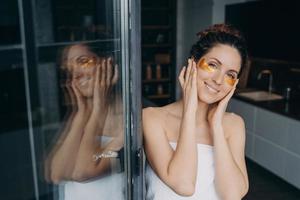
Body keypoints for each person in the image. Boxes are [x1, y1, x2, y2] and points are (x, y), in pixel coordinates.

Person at [143, 24, 249, 200]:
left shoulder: (233, 125)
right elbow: (183, 185)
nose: (218, 80)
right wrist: (190, 112)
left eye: (230, 75)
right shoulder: (152, 117)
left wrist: (216, 126)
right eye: (213, 65)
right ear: (193, 63)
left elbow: (232, 195)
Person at [44, 44, 125, 200]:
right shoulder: (79, 119)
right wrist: (82, 114)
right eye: (68, 71)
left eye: (83, 62)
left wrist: (98, 107)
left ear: (109, 64)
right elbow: (57, 174)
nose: (76, 75)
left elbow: (82, 172)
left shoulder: (131, 118)